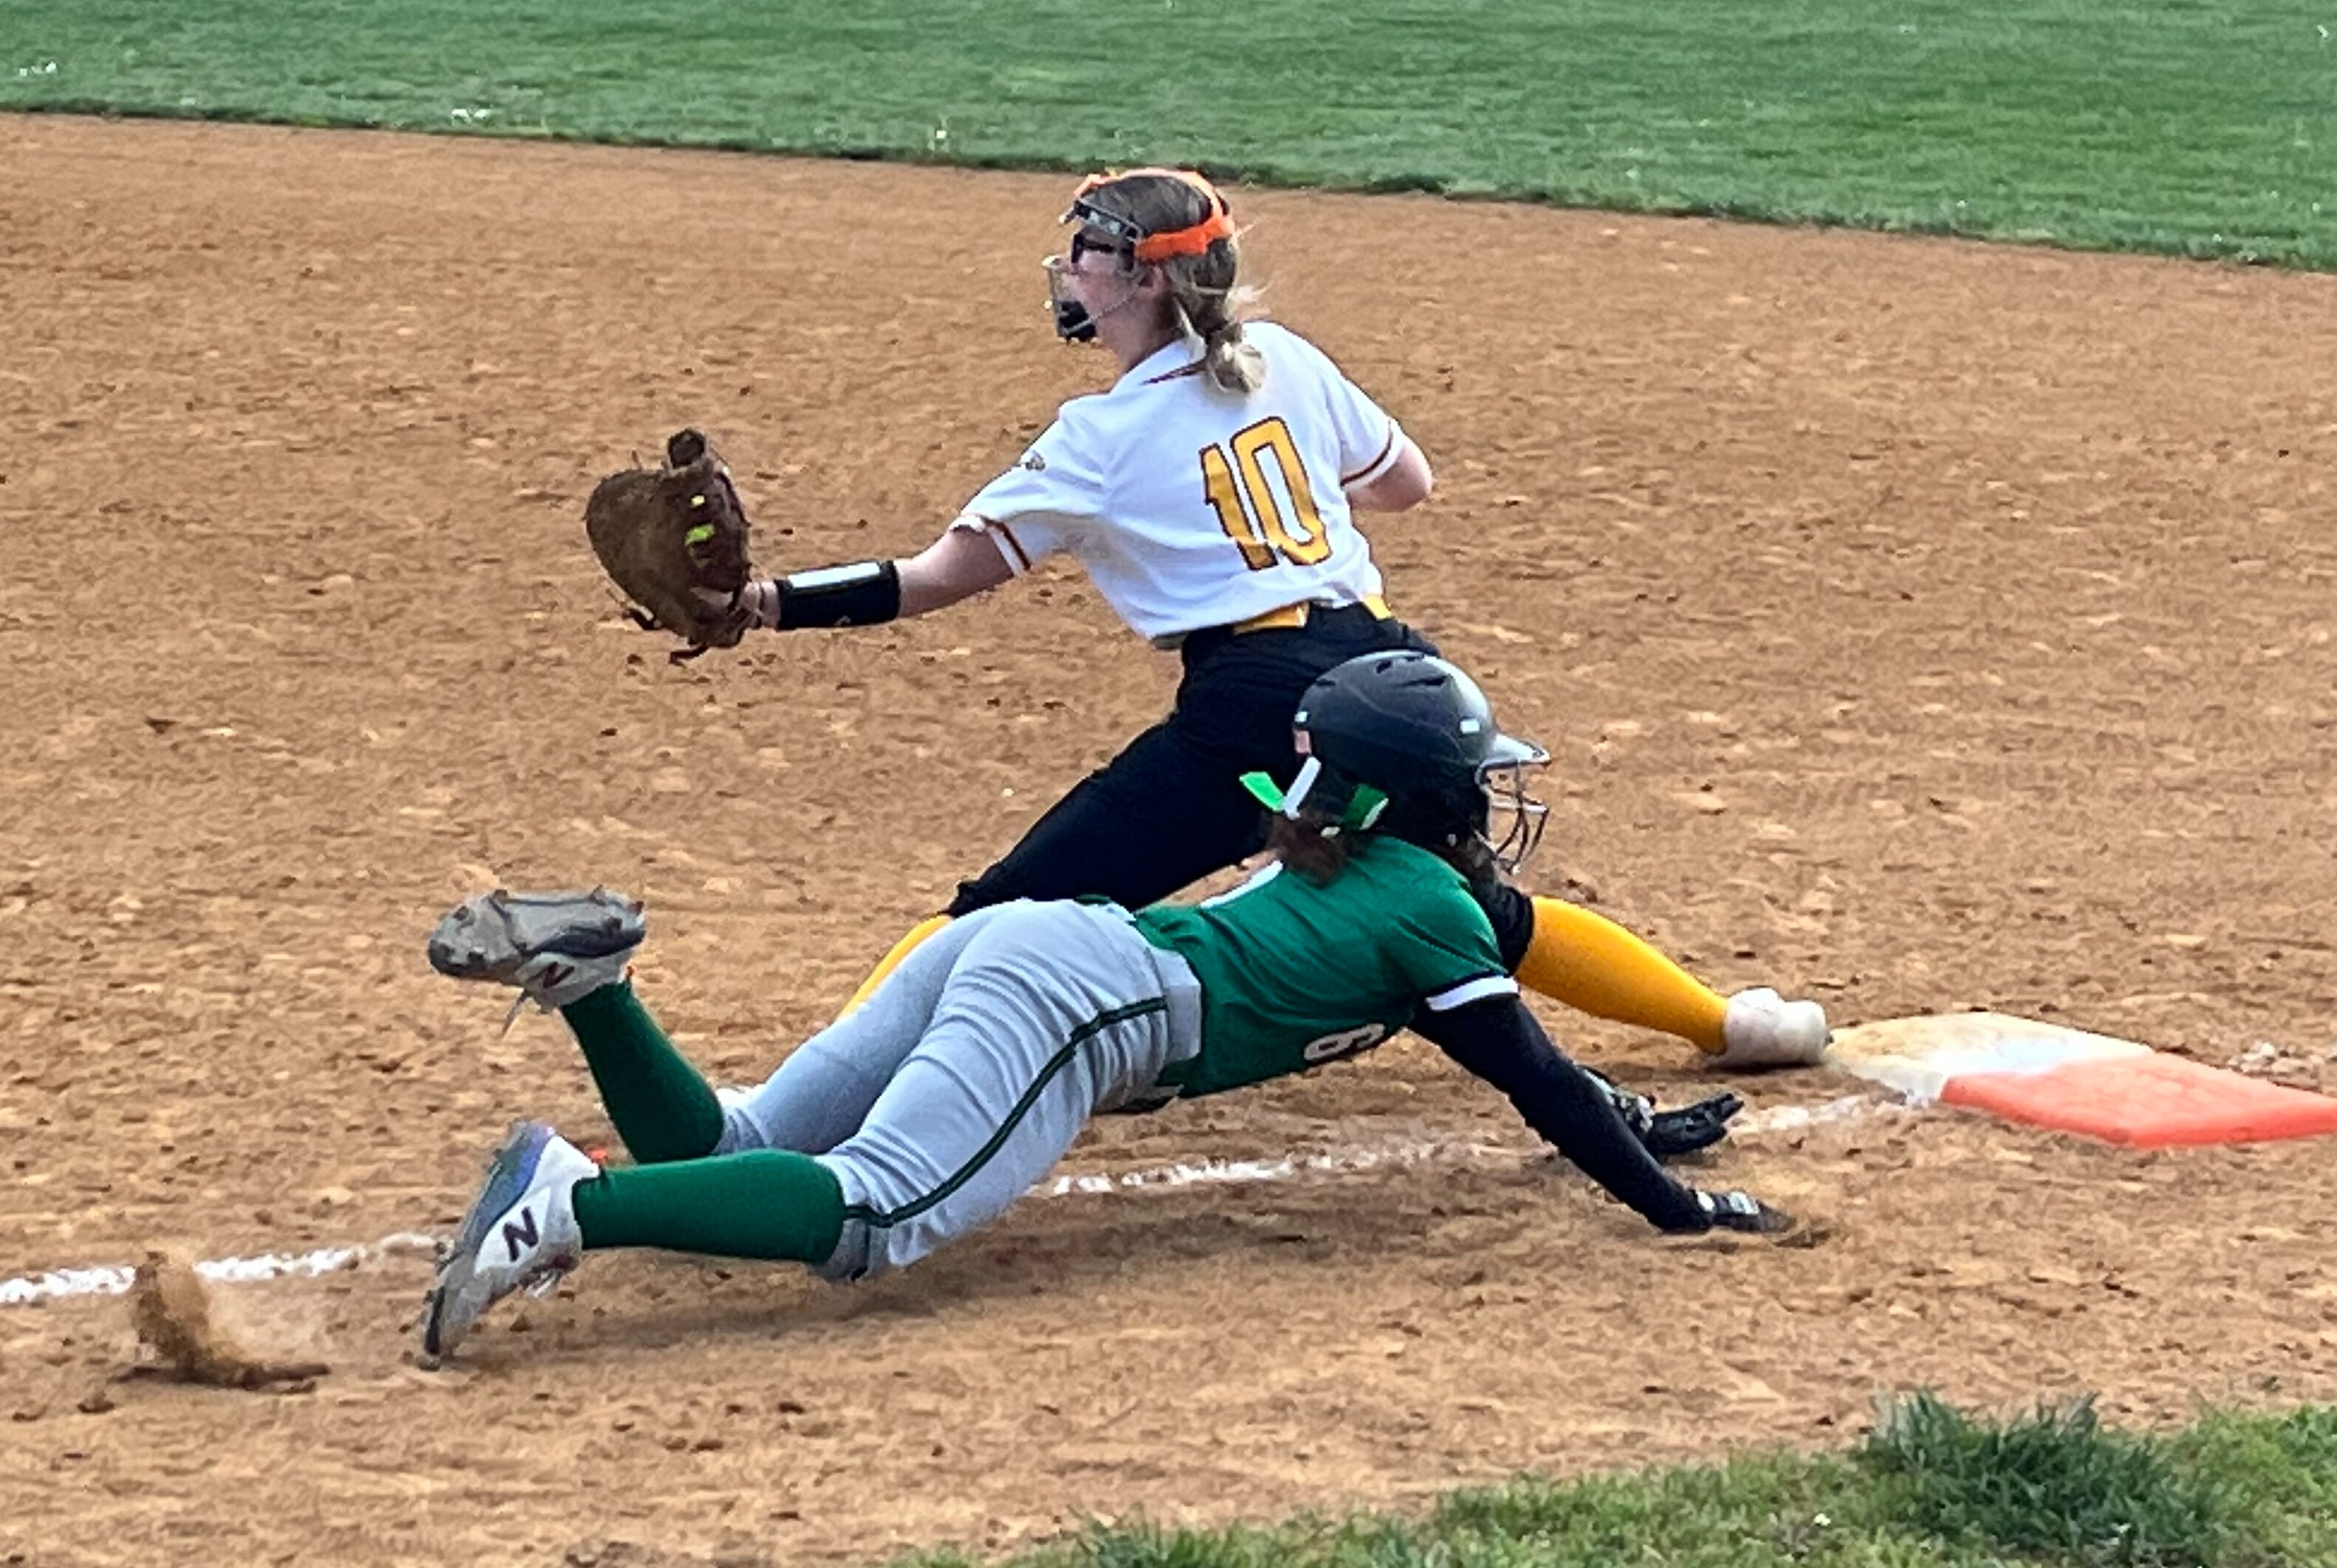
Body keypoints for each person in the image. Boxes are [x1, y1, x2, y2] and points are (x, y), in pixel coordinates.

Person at [700, 166, 1824, 1070]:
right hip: (1391, 679)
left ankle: (809, 1094)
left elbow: (935, 577)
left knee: (1002, 910)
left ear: (1138, 281)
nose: (1067, 266)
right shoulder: (1279, 358)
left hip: (1254, 705)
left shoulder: (1094, 440)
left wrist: (766, 605)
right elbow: (1405, 486)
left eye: (1087, 250)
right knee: (1483, 910)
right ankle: (1729, 1026)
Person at [418, 651, 1795, 1361]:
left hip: (1027, 946)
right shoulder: (1425, 903)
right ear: (1421, 792)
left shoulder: (1370, 878)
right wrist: (1673, 1206)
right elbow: (1533, 1079)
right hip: (1090, 1002)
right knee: (872, 1214)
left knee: (730, 1150)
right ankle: (566, 1209)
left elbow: (1530, 1061)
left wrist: (1632, 1120)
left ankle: (593, 991)